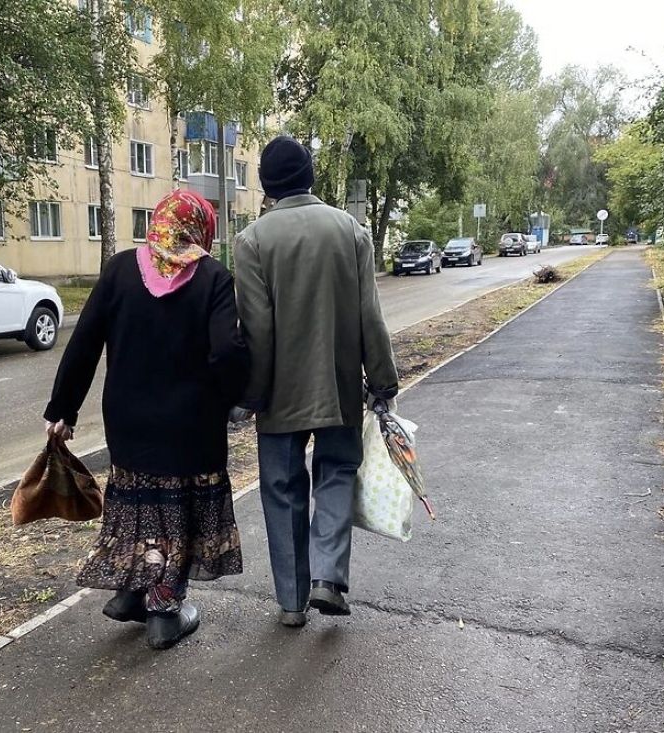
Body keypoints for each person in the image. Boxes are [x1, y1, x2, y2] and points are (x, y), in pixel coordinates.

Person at [44, 189, 250, 650]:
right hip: (191, 425)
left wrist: (63, 409)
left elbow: (84, 342)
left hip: (128, 420)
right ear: (202, 229)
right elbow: (226, 350)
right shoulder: (213, 277)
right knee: (179, 512)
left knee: (138, 504)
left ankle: (129, 592)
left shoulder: (119, 269)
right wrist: (237, 396)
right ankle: (164, 614)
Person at [233, 136, 399, 628]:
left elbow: (256, 331)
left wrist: (250, 396)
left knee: (282, 487)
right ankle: (327, 575)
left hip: (279, 395)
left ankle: (291, 601)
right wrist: (383, 382)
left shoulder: (253, 241)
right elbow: (370, 316)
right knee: (337, 473)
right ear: (310, 176)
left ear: (266, 185)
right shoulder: (350, 231)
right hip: (339, 388)